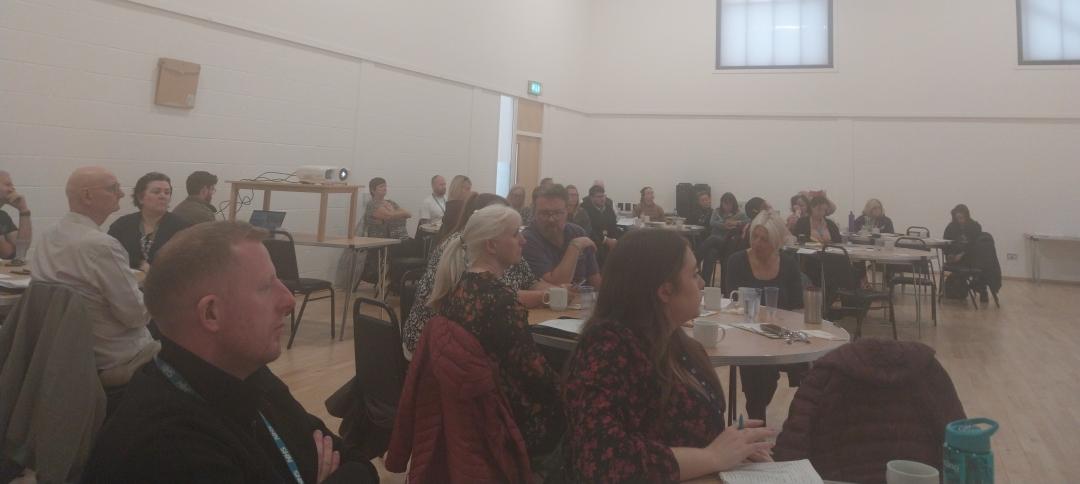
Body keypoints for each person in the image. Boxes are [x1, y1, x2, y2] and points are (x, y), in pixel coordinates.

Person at [83, 222, 379, 483]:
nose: (288, 300)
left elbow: (359, 466)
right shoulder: (166, 450)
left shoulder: (248, 374)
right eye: (266, 287)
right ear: (211, 313)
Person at [561, 229, 776, 482]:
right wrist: (713, 456)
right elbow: (602, 461)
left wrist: (735, 447)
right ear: (664, 291)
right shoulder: (606, 348)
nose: (702, 283)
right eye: (694, 274)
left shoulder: (675, 341)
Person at [430, 205, 564, 456]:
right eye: (515, 235)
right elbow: (535, 375)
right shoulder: (501, 302)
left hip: (469, 411)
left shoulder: (456, 289)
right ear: (491, 246)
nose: (523, 241)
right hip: (506, 417)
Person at [32, 167, 158, 392]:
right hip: (114, 358)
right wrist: (154, 285)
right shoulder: (101, 245)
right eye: (113, 188)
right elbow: (136, 316)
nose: (121, 194)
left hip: (67, 352)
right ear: (87, 196)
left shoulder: (48, 235)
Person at [402, 193, 552, 358]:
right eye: (515, 232)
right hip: (432, 354)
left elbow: (530, 282)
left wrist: (559, 290)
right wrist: (545, 296)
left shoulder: (504, 248)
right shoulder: (465, 249)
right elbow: (499, 297)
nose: (523, 240)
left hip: (458, 353)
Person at [725, 211, 806, 422]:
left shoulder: (788, 264)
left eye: (764, 239)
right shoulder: (737, 261)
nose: (758, 243)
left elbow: (798, 306)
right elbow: (732, 304)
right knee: (759, 373)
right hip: (746, 334)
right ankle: (758, 422)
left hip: (782, 335)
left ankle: (798, 426)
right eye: (755, 237)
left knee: (813, 367)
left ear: (777, 242)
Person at [107, 172, 191, 271]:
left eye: (167, 192)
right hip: (125, 282)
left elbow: (187, 262)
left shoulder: (182, 227)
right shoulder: (122, 225)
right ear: (140, 198)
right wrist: (139, 264)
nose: (163, 196)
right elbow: (109, 255)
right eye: (156, 192)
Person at [522, 184, 602, 287]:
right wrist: (574, 246)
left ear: (567, 210)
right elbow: (557, 286)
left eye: (557, 213)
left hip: (583, 299)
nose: (551, 219)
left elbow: (595, 279)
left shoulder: (577, 232)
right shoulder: (527, 240)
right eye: (544, 213)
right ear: (535, 213)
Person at [700, 192, 750, 284]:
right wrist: (724, 225)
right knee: (711, 254)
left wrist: (736, 223)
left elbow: (748, 221)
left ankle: (696, 259)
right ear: (721, 203)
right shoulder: (717, 211)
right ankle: (704, 284)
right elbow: (712, 222)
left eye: (729, 204)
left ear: (733, 204)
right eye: (724, 204)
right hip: (716, 246)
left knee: (713, 238)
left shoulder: (739, 214)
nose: (726, 206)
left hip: (728, 243)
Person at [0, 170, 32, 260]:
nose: (13, 189)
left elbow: (21, 251)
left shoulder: (3, 216)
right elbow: (7, 253)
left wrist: (23, 210)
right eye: (8, 185)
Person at [581, 184, 619, 250]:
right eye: (599, 197)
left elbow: (614, 225)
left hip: (610, 241)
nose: (602, 199)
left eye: (603, 196)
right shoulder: (584, 209)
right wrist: (606, 240)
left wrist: (614, 239)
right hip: (594, 243)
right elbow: (589, 231)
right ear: (591, 198)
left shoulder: (608, 207)